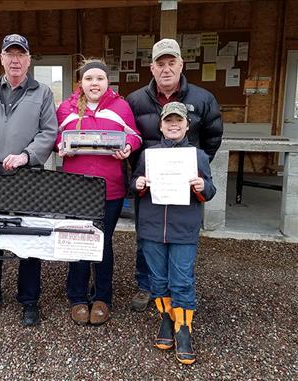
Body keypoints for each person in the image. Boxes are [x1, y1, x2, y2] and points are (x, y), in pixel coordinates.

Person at [0, 34, 58, 327]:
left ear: (29, 60)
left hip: (27, 178)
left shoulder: (42, 92)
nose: (15, 60)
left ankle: (29, 300)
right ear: (1, 58)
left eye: (21, 55)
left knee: (28, 240)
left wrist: (26, 156)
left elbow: (48, 131)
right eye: (10, 54)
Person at [126, 38, 223, 312]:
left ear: (181, 64)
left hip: (183, 186)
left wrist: (197, 167)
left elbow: (213, 137)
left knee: (181, 235)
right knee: (146, 236)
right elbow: (130, 138)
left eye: (171, 63)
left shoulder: (203, 99)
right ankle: (147, 286)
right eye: (160, 64)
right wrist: (140, 174)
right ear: (152, 68)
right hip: (149, 185)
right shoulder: (135, 100)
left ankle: (178, 291)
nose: (166, 69)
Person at [56, 59, 142, 326]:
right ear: (81, 82)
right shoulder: (66, 108)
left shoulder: (120, 107)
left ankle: (103, 296)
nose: (95, 83)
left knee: (103, 242)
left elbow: (135, 136)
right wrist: (62, 146)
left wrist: (127, 146)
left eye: (100, 79)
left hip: (110, 188)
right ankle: (78, 297)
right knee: (78, 240)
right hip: (76, 188)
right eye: (89, 78)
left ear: (107, 82)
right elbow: (56, 137)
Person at [131, 101, 216, 364]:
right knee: (157, 279)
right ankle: (166, 320)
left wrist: (202, 185)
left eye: (178, 120)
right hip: (152, 228)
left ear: (187, 125)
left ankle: (183, 329)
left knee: (181, 280)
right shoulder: (148, 154)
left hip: (183, 229)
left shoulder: (198, 156)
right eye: (168, 120)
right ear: (161, 125)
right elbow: (133, 183)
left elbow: (210, 190)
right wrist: (139, 183)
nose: (174, 124)